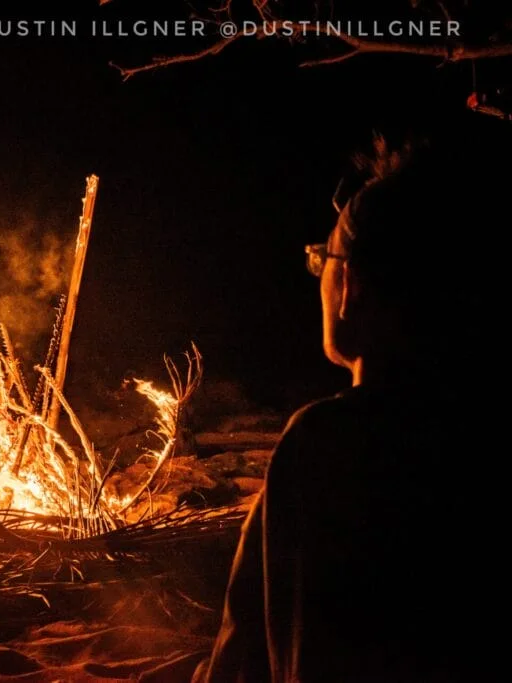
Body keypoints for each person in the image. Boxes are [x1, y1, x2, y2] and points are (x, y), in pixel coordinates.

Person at [192, 116, 507, 683]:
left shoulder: (328, 445)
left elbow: (249, 664)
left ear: (352, 287)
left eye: (323, 260)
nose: (319, 275)